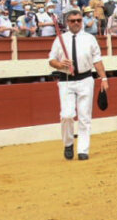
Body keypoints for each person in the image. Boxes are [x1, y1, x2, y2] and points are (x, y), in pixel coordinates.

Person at [47, 9, 110, 160]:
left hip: (85, 79)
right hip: (66, 80)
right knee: (67, 115)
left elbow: (97, 60)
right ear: (67, 23)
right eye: (73, 20)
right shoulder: (60, 39)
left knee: (84, 116)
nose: (76, 23)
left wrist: (104, 78)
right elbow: (51, 60)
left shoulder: (89, 38)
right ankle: (68, 143)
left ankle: (83, 150)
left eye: (79, 20)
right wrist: (60, 64)